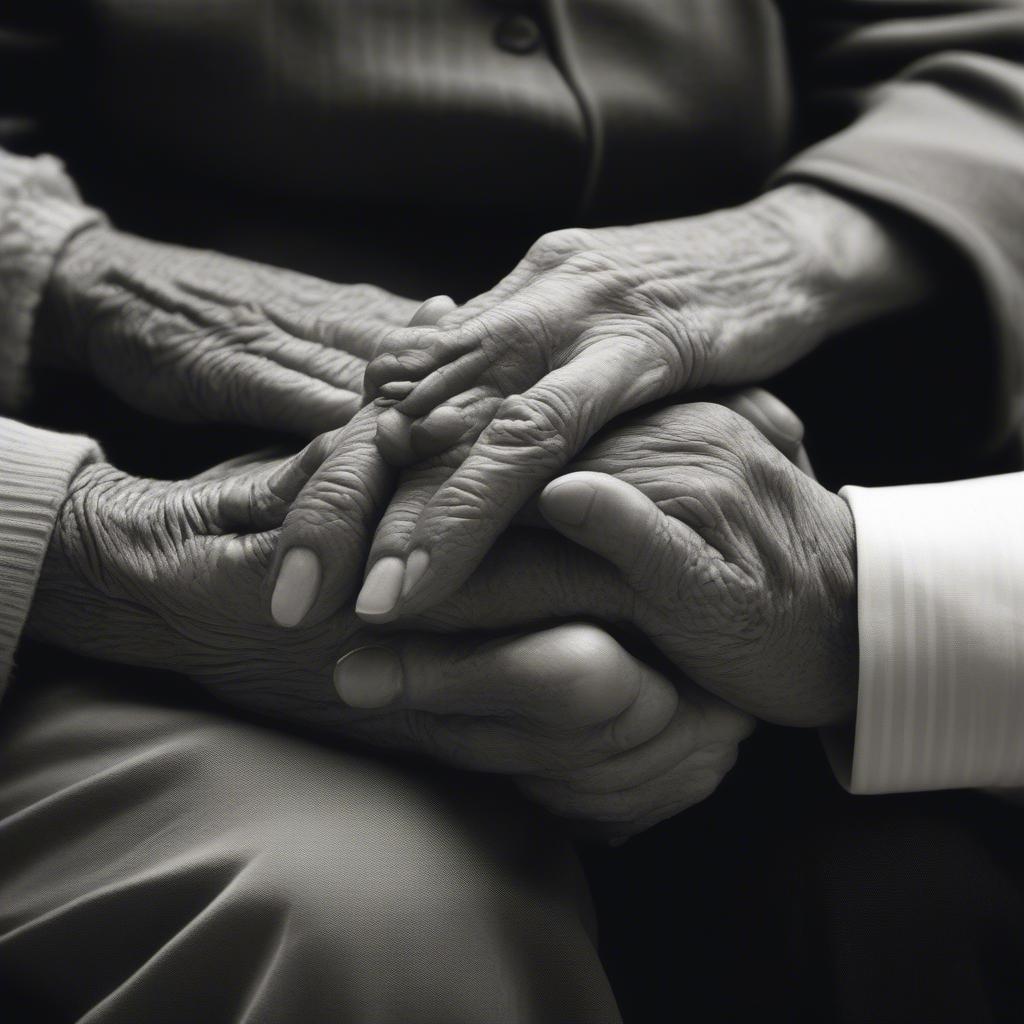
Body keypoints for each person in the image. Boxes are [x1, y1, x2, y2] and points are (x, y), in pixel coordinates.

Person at [1, 3, 1022, 1022]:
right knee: (364, 919)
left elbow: (983, 52)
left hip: (810, 485)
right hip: (151, 551)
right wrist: (86, 529)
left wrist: (782, 255)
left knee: (906, 911)